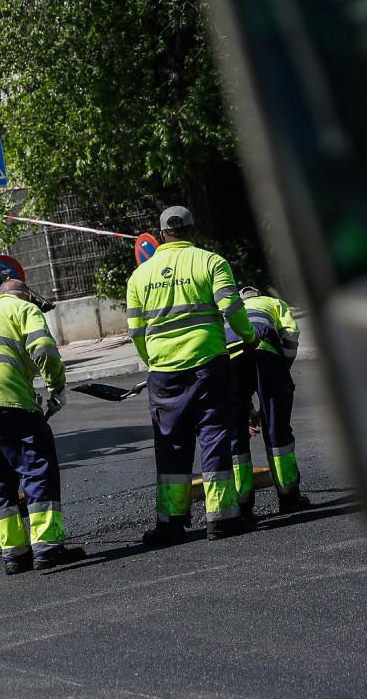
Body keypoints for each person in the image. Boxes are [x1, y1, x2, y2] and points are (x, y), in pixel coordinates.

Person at [125, 205, 256, 545]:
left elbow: (136, 332)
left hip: (163, 372)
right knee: (213, 436)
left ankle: (170, 523)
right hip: (208, 364)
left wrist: (152, 359)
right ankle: (222, 517)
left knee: (171, 444)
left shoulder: (139, 276)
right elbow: (230, 307)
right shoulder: (211, 262)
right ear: (193, 230)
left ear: (159, 236)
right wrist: (248, 336)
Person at [0, 279, 84, 574]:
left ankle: (14, 554)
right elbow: (43, 349)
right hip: (8, 399)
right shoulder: (24, 309)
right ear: (26, 295)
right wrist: (56, 388)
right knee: (38, 466)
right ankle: (47, 546)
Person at [228, 286, 310, 518]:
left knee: (235, 435)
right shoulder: (273, 303)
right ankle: (289, 498)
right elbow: (291, 334)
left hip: (232, 358)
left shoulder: (227, 310)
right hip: (267, 353)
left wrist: (247, 408)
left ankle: (242, 505)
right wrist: (284, 366)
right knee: (277, 430)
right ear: (258, 295)